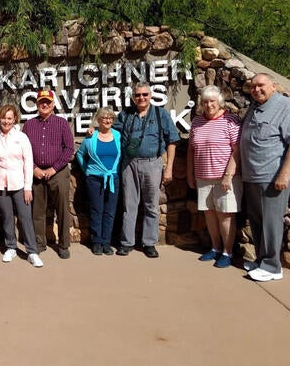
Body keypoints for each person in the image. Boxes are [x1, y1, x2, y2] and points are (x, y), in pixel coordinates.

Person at [115, 82, 179, 258]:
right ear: (133, 97)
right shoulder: (126, 114)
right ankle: (127, 243)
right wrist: (93, 131)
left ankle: (149, 243)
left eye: (144, 94)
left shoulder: (161, 114)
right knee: (129, 205)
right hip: (129, 164)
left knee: (151, 205)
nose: (141, 98)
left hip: (152, 163)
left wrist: (169, 168)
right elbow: (110, 131)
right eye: (137, 95)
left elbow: (172, 141)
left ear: (150, 95)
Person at [241, 73, 290, 282]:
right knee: (258, 221)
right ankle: (262, 260)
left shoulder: (284, 107)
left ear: (273, 86)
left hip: (272, 176)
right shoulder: (255, 106)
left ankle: (272, 267)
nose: (256, 89)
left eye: (261, 85)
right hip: (253, 174)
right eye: (253, 86)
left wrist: (284, 173)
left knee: (271, 222)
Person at [187, 86, 242, 268]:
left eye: (212, 101)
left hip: (225, 177)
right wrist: (190, 172)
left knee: (225, 215)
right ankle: (215, 248)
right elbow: (191, 149)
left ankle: (227, 252)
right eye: (205, 101)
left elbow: (237, 149)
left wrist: (228, 175)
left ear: (219, 102)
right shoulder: (196, 122)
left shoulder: (230, 120)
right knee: (209, 214)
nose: (209, 105)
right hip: (203, 176)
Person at [0, 104, 43, 268]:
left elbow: (28, 163)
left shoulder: (22, 138)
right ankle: (10, 247)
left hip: (19, 185)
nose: (6, 121)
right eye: (3, 118)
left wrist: (27, 187)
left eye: (9, 118)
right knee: (7, 218)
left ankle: (32, 251)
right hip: (0, 185)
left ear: (14, 120)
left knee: (26, 218)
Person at [22, 90, 74, 259]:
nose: (44, 104)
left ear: (53, 105)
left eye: (48, 102)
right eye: (41, 102)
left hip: (57, 172)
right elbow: (24, 150)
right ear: (37, 104)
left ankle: (64, 245)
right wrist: (34, 168)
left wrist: (54, 168)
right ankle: (39, 243)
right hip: (36, 172)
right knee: (37, 210)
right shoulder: (29, 125)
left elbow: (69, 149)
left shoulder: (62, 123)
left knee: (62, 209)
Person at [76, 107, 122, 256]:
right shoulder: (91, 138)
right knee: (97, 210)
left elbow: (121, 156)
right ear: (98, 120)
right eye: (104, 118)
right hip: (94, 179)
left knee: (110, 211)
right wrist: (87, 171)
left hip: (112, 178)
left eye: (110, 118)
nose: (107, 120)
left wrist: (115, 170)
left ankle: (106, 242)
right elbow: (80, 155)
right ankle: (97, 241)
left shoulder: (118, 136)